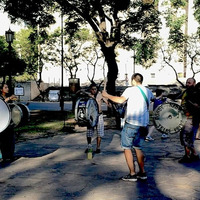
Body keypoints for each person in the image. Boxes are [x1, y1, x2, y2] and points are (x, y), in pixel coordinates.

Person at [102, 73, 154, 182]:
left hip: (131, 124)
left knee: (127, 148)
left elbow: (121, 100)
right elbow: (152, 99)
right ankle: (142, 172)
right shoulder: (148, 91)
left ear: (133, 80)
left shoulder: (130, 90)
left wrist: (107, 95)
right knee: (138, 148)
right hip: (143, 125)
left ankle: (132, 174)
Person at [78, 82, 110, 154]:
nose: (94, 90)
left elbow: (107, 102)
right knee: (89, 132)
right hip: (91, 116)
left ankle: (98, 148)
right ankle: (89, 146)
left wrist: (109, 103)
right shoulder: (89, 96)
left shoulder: (100, 95)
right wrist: (80, 91)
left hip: (99, 116)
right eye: (92, 89)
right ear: (90, 90)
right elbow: (81, 94)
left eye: (95, 89)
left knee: (99, 132)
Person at [179, 78, 199, 163]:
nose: (187, 84)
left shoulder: (196, 93)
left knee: (186, 138)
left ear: (194, 83)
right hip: (185, 119)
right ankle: (193, 155)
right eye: (187, 82)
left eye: (189, 83)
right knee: (186, 138)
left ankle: (189, 156)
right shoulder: (185, 92)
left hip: (191, 119)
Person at [0, 81, 17, 162]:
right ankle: (4, 156)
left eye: (7, 87)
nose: (7, 89)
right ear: (1, 89)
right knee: (3, 140)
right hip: (2, 121)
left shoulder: (7, 96)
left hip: (9, 121)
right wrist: (9, 98)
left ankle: (10, 155)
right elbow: (2, 104)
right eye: (5, 87)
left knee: (10, 139)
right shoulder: (1, 97)